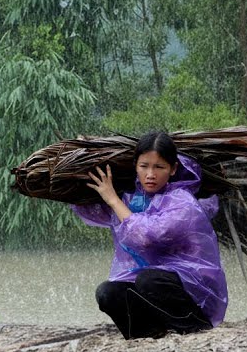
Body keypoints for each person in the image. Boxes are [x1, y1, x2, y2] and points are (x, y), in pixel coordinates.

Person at [73, 132, 228, 339]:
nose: (150, 174)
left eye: (159, 167)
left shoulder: (182, 202)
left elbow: (145, 236)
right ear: (135, 166)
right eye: (144, 166)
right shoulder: (132, 198)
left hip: (194, 292)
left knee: (149, 280)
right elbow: (90, 210)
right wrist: (83, 161)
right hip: (152, 287)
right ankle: (148, 334)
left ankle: (194, 328)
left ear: (173, 169)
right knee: (107, 292)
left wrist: (112, 200)